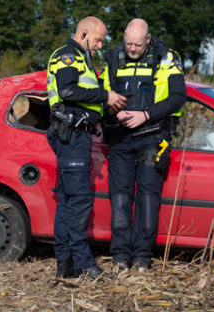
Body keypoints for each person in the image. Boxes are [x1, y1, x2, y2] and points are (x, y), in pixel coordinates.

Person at [99, 18, 186, 272]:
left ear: (148, 39)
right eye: (128, 43)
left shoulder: (167, 57)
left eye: (137, 44)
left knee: (148, 199)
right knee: (120, 199)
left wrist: (145, 115)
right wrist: (113, 112)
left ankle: (141, 258)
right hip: (121, 139)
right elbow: (103, 98)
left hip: (152, 138)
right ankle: (120, 257)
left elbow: (178, 97)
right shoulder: (113, 58)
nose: (132, 49)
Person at [46, 16, 127, 279]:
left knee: (68, 202)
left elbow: (84, 97)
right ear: (83, 33)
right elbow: (68, 91)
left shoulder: (83, 59)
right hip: (71, 137)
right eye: (98, 39)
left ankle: (65, 264)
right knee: (79, 201)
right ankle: (83, 264)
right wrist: (106, 96)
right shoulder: (69, 55)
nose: (100, 45)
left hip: (77, 136)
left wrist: (106, 108)